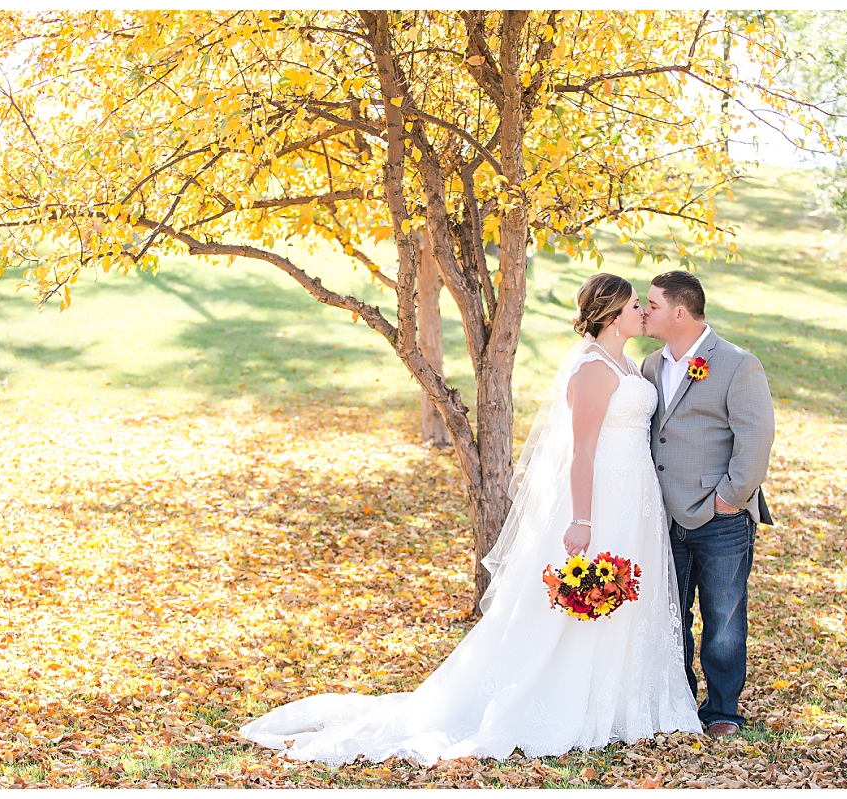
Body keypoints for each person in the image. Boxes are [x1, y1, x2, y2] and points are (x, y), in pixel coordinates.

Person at [239, 273, 701, 766]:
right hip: (602, 497)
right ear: (612, 316)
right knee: (587, 599)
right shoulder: (592, 370)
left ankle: (622, 704)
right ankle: (569, 700)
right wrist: (582, 521)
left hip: (636, 498)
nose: (644, 312)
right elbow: (582, 452)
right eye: (636, 305)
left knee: (629, 598)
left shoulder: (627, 362)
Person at [640, 270, 775, 739]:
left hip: (721, 517)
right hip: (664, 515)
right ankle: (678, 698)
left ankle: (722, 710)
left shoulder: (738, 364)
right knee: (670, 614)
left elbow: (756, 439)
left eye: (652, 305)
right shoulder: (651, 366)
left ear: (680, 312)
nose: (643, 311)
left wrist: (728, 498)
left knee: (723, 617)